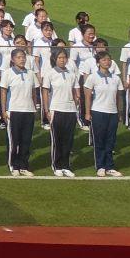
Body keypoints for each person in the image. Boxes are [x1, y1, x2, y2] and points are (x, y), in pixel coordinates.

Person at [39, 46, 81, 177]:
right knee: (57, 139)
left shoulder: (71, 74)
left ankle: (66, 165)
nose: (63, 60)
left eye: (64, 58)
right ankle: (57, 165)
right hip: (56, 109)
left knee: (68, 139)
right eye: (60, 58)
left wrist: (76, 102)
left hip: (70, 110)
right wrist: (47, 109)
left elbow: (76, 91)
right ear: (55, 59)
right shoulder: (50, 74)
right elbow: (45, 92)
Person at [82, 49, 124, 177]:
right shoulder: (92, 77)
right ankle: (100, 166)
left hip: (112, 113)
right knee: (99, 140)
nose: (107, 62)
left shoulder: (116, 78)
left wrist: (119, 112)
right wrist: (87, 113)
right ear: (98, 62)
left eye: (108, 59)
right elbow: (87, 96)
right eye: (104, 60)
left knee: (111, 140)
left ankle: (110, 166)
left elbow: (118, 97)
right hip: (98, 112)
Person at [0, 44, 39, 177]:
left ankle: (23, 165)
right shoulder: (7, 73)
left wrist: (34, 107)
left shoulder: (31, 73)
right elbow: (3, 93)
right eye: (19, 57)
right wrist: (4, 110)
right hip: (13, 111)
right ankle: (13, 165)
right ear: (12, 59)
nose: (22, 59)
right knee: (13, 140)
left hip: (28, 111)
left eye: (24, 57)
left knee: (26, 140)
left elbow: (34, 92)